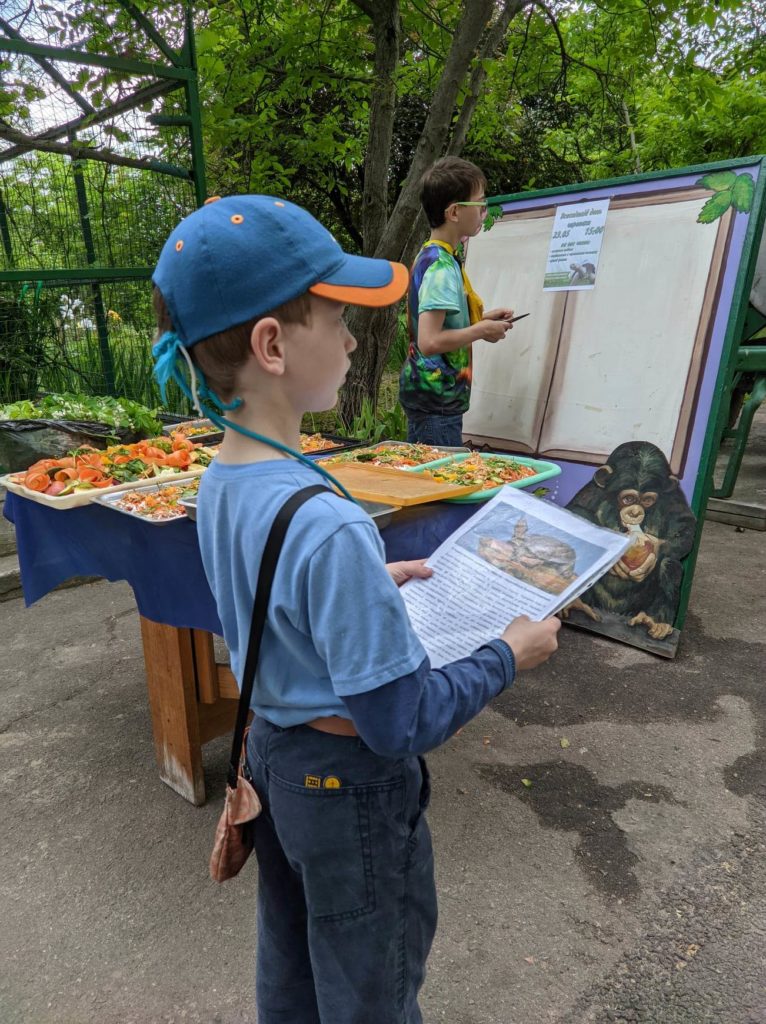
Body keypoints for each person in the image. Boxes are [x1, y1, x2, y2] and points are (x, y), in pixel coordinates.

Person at [150, 194, 560, 1024]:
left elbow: (277, 597)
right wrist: (507, 655)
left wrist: (375, 576)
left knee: (295, 968)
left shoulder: (223, 479)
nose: (351, 338)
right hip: (351, 792)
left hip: (276, 763)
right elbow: (398, 718)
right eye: (337, 318)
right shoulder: (327, 518)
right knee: (370, 989)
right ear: (272, 345)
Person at [399, 156, 516, 447]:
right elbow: (430, 341)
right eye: (480, 204)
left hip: (435, 399)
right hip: (437, 401)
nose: (483, 211)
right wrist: (481, 331)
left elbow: (442, 324)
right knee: (438, 488)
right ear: (454, 212)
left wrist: (482, 320)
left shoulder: (436, 256)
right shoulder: (440, 267)